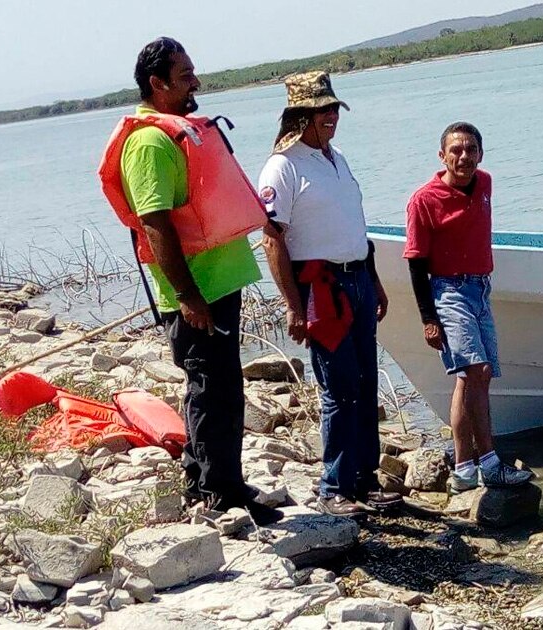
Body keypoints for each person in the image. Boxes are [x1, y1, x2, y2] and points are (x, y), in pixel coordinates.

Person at [98, 37, 282, 524]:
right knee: (212, 387)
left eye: (193, 72)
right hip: (196, 291)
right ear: (157, 85)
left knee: (217, 385)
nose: (195, 82)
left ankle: (208, 480)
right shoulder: (149, 143)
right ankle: (222, 493)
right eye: (184, 77)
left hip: (216, 283)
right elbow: (154, 222)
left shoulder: (176, 132)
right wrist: (186, 295)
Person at [258, 71, 401, 517]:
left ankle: (364, 479)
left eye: (334, 109)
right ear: (301, 115)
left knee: (364, 381)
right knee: (338, 387)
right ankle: (333, 486)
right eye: (323, 111)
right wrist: (293, 307)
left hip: (357, 277)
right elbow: (272, 238)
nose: (332, 118)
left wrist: (373, 277)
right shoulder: (283, 166)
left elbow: (352, 225)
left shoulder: (336, 158)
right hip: (321, 287)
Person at [404, 122, 534, 494]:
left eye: (471, 149)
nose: (464, 157)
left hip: (480, 288)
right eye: (456, 150)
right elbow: (415, 263)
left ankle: (463, 470)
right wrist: (428, 319)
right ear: (442, 155)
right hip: (448, 290)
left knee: (474, 376)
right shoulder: (423, 200)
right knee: (477, 369)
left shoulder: (486, 184)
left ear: (481, 153)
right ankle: (491, 465)